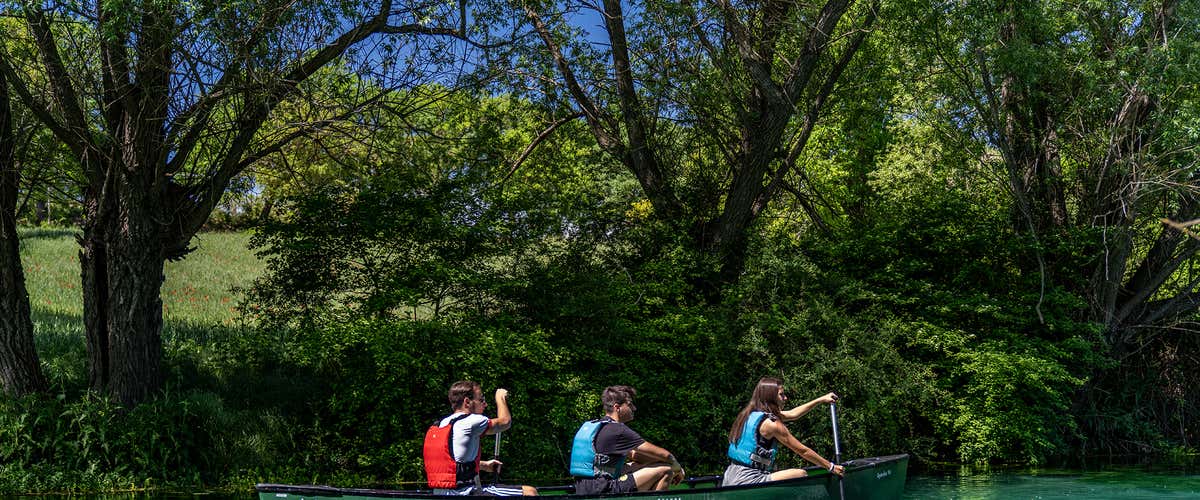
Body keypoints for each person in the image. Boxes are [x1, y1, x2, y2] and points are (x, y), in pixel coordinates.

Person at [721, 377, 846, 486]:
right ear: (770, 397)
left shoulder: (749, 415)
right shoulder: (772, 424)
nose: (785, 398)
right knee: (800, 474)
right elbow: (803, 451)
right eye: (781, 394)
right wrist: (831, 467)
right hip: (748, 479)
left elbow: (793, 414)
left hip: (730, 476)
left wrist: (820, 399)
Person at [423, 380, 538, 496]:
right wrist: (500, 398)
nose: (485, 404)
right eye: (481, 400)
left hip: (440, 493)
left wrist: (483, 465)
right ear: (467, 402)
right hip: (464, 492)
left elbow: (451, 461)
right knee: (530, 492)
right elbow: (505, 422)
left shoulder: (441, 425)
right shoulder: (472, 420)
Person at [569, 385, 685, 495]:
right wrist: (678, 468)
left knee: (637, 464)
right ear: (617, 407)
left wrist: (655, 462)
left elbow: (636, 456)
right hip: (603, 489)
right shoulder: (618, 430)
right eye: (629, 404)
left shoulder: (599, 426)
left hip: (584, 488)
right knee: (666, 470)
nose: (634, 408)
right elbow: (665, 455)